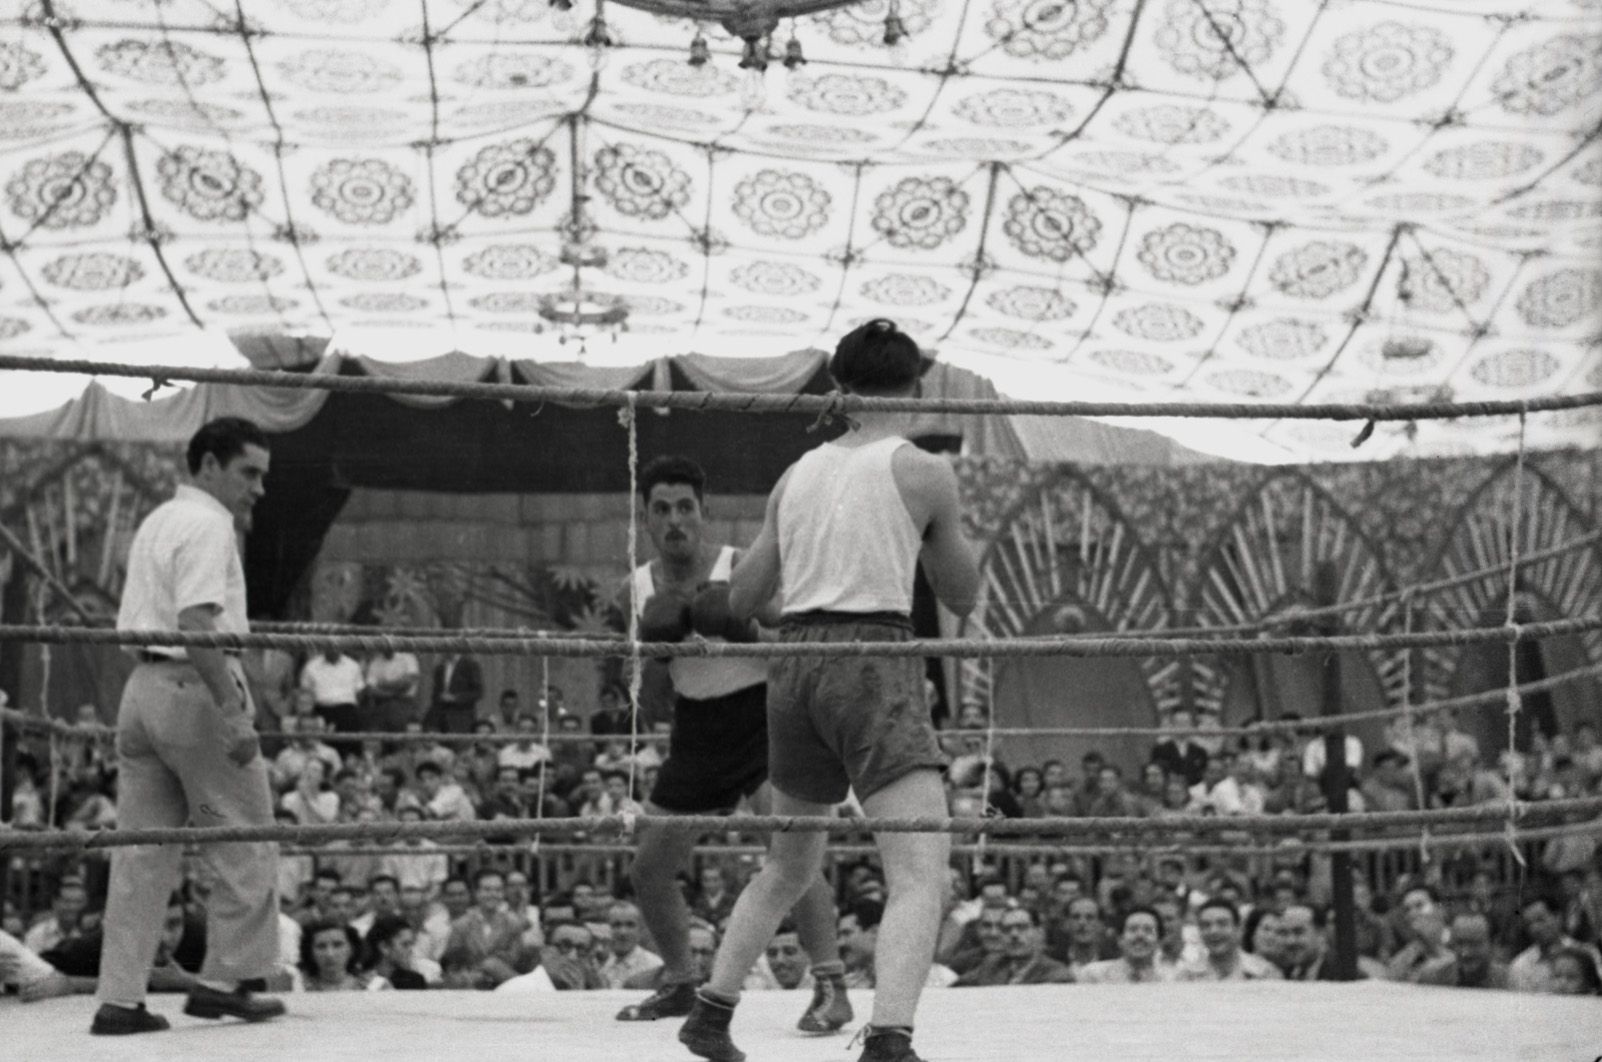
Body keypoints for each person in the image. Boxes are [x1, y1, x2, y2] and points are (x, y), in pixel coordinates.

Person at [679, 319, 980, 1062]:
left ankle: (712, 1012)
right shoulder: (921, 469)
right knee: (917, 871)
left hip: (795, 666)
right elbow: (962, 594)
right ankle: (889, 1037)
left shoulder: (798, 472)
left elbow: (743, 598)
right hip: (872, 659)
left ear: (839, 389)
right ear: (915, 387)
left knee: (790, 863)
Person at [616, 455, 848, 1034]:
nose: (675, 521)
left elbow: (798, 645)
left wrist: (743, 629)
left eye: (685, 508)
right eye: (661, 510)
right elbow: (644, 700)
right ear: (645, 519)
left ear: (704, 511)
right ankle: (679, 981)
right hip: (696, 732)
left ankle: (831, 986)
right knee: (649, 867)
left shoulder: (738, 566)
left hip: (763, 722)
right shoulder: (637, 587)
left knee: (796, 858)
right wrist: (654, 652)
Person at [93, 417, 285, 1035]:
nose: (258, 488)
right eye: (247, 472)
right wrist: (231, 710)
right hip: (195, 689)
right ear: (208, 466)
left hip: (141, 692)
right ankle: (223, 981)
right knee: (246, 837)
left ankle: (120, 999)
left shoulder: (159, 519)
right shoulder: (208, 523)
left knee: (141, 853)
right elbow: (197, 622)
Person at [951, 906, 1072, 987]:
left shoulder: (1057, 974)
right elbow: (956, 990)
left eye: (1022, 927)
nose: (1014, 935)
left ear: (1039, 933)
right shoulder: (992, 964)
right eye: (1007, 929)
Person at [1180, 900, 1281, 981]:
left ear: (1238, 929)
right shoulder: (1187, 976)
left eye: (1222, 924)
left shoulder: (1265, 973)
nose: (1213, 931)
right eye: (1206, 925)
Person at [1078, 908, 1178, 984]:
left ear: (1159, 941)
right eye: (1133, 929)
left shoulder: (1172, 979)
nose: (1140, 936)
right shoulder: (1093, 975)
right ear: (1120, 939)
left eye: (1148, 930)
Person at [1415, 912, 1509, 990]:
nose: (1466, 952)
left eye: (1474, 944)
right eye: (1460, 943)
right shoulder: (1433, 979)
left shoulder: (1508, 982)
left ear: (1492, 944)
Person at [429, 652, 484, 734]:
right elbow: (435, 694)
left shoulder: (470, 665)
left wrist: (455, 698)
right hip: (441, 721)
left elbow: (478, 692)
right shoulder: (440, 668)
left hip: (461, 719)